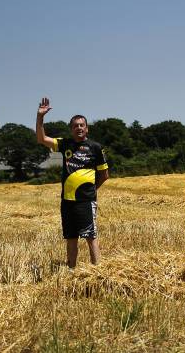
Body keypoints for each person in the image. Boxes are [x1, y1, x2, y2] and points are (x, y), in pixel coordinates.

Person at [36, 97, 109, 268]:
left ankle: (97, 272)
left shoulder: (96, 148)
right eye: (75, 126)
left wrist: (91, 189)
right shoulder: (65, 144)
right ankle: (71, 271)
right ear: (71, 129)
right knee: (71, 238)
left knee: (90, 236)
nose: (79, 128)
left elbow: (104, 174)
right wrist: (40, 117)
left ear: (87, 129)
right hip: (67, 201)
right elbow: (41, 139)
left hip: (86, 201)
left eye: (81, 125)